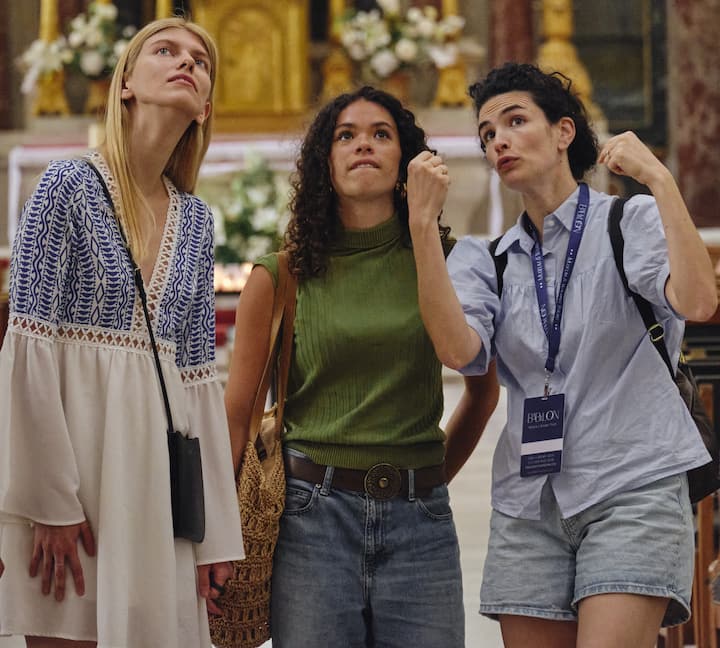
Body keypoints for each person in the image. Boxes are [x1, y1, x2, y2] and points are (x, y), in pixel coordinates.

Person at [407, 61, 718, 648]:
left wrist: (659, 179)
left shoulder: (627, 222)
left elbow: (700, 301)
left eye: (515, 121)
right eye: (487, 134)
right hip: (530, 502)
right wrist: (422, 225)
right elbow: (458, 352)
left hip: (633, 481)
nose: (498, 141)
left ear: (563, 132)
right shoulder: (486, 259)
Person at [224, 85, 500, 647]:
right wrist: (219, 538)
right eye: (345, 136)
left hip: (421, 525)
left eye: (381, 134)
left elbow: (482, 390)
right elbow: (235, 417)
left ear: (407, 159)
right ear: (324, 163)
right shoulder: (279, 277)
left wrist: (424, 481)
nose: (363, 145)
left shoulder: (446, 264)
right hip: (312, 520)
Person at [0, 17, 244, 648]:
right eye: (166, 51)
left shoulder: (196, 220)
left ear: (205, 106)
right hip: (73, 478)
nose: (187, 63)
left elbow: (199, 377)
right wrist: (48, 500)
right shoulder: (65, 187)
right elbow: (28, 347)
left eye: (201, 61)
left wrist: (214, 534)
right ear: (126, 84)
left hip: (159, 485)